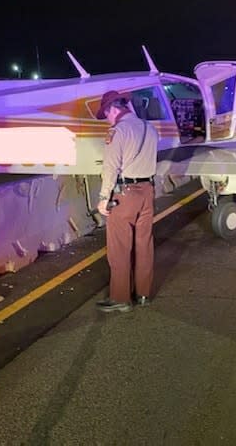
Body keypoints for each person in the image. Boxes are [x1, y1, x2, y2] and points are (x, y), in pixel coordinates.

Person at [94, 89, 159, 313]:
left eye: (107, 114)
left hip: (125, 195)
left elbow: (110, 168)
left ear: (113, 109)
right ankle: (143, 294)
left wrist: (103, 198)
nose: (108, 120)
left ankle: (121, 298)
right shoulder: (150, 129)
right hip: (148, 193)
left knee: (120, 248)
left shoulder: (118, 131)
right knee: (144, 245)